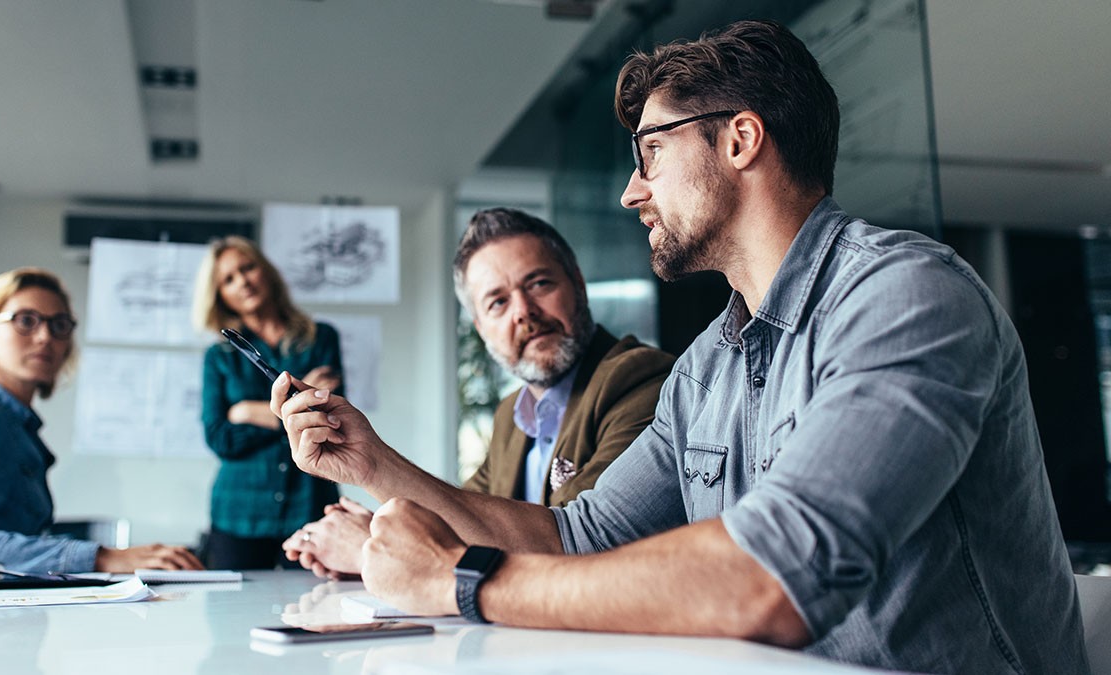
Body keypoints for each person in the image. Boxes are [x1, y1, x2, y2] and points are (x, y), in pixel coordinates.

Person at [270, 20, 1088, 674]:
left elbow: (772, 577)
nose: (632, 189)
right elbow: (576, 536)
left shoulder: (907, 295)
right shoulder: (707, 366)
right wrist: (371, 464)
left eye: (652, 152)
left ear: (739, 140)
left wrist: (459, 581)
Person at [279, 208, 674, 576]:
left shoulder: (640, 380)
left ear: (578, 284)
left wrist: (372, 546)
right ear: (481, 328)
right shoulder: (511, 415)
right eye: (497, 302)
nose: (523, 311)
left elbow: (573, 546)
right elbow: (463, 521)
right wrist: (381, 519)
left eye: (538, 283)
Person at [0, 268, 203, 574]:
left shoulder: (11, 424)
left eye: (59, 325)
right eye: (25, 320)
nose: (45, 336)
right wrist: (102, 557)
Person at [193, 235, 343, 569]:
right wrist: (292, 412)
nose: (242, 281)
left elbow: (329, 419)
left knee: (315, 610)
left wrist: (246, 412)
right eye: (228, 279)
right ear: (220, 296)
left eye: (247, 268)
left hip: (309, 506)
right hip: (239, 514)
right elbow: (219, 437)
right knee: (232, 617)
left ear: (266, 272)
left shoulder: (321, 339)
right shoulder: (219, 357)